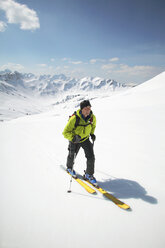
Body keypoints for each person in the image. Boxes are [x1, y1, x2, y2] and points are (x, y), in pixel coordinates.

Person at [62, 100, 97, 185]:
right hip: (75, 140)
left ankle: (89, 174)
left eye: (89, 108)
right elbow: (65, 132)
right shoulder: (74, 118)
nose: (88, 110)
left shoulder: (92, 117)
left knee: (91, 157)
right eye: (86, 108)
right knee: (72, 155)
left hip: (85, 139)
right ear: (82, 109)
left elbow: (93, 126)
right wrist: (73, 138)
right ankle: (69, 168)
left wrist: (92, 134)